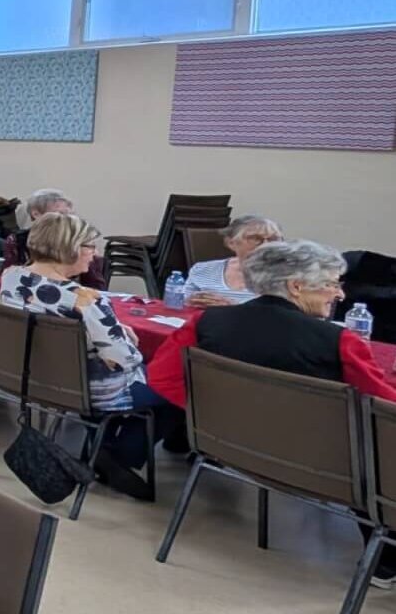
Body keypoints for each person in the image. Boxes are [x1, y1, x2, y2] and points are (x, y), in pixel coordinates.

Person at [145, 239, 396, 581]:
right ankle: (386, 561)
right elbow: (385, 409)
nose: (339, 295)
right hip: (326, 467)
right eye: (333, 284)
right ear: (295, 286)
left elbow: (162, 378)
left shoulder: (206, 322)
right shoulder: (340, 342)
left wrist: (214, 420)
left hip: (227, 447)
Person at [0, 212, 161, 498]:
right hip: (87, 390)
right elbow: (123, 360)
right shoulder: (85, 298)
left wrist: (112, 329)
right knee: (176, 386)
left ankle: (103, 449)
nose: (94, 254)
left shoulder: (12, 277)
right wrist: (123, 337)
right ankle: (119, 457)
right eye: (89, 246)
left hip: (34, 377)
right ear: (69, 247)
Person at [187, 215, 282, 307]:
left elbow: (286, 317)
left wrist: (235, 309)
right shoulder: (202, 270)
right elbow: (181, 305)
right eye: (255, 238)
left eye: (273, 239)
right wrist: (190, 301)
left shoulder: (286, 276)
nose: (266, 245)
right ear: (231, 243)